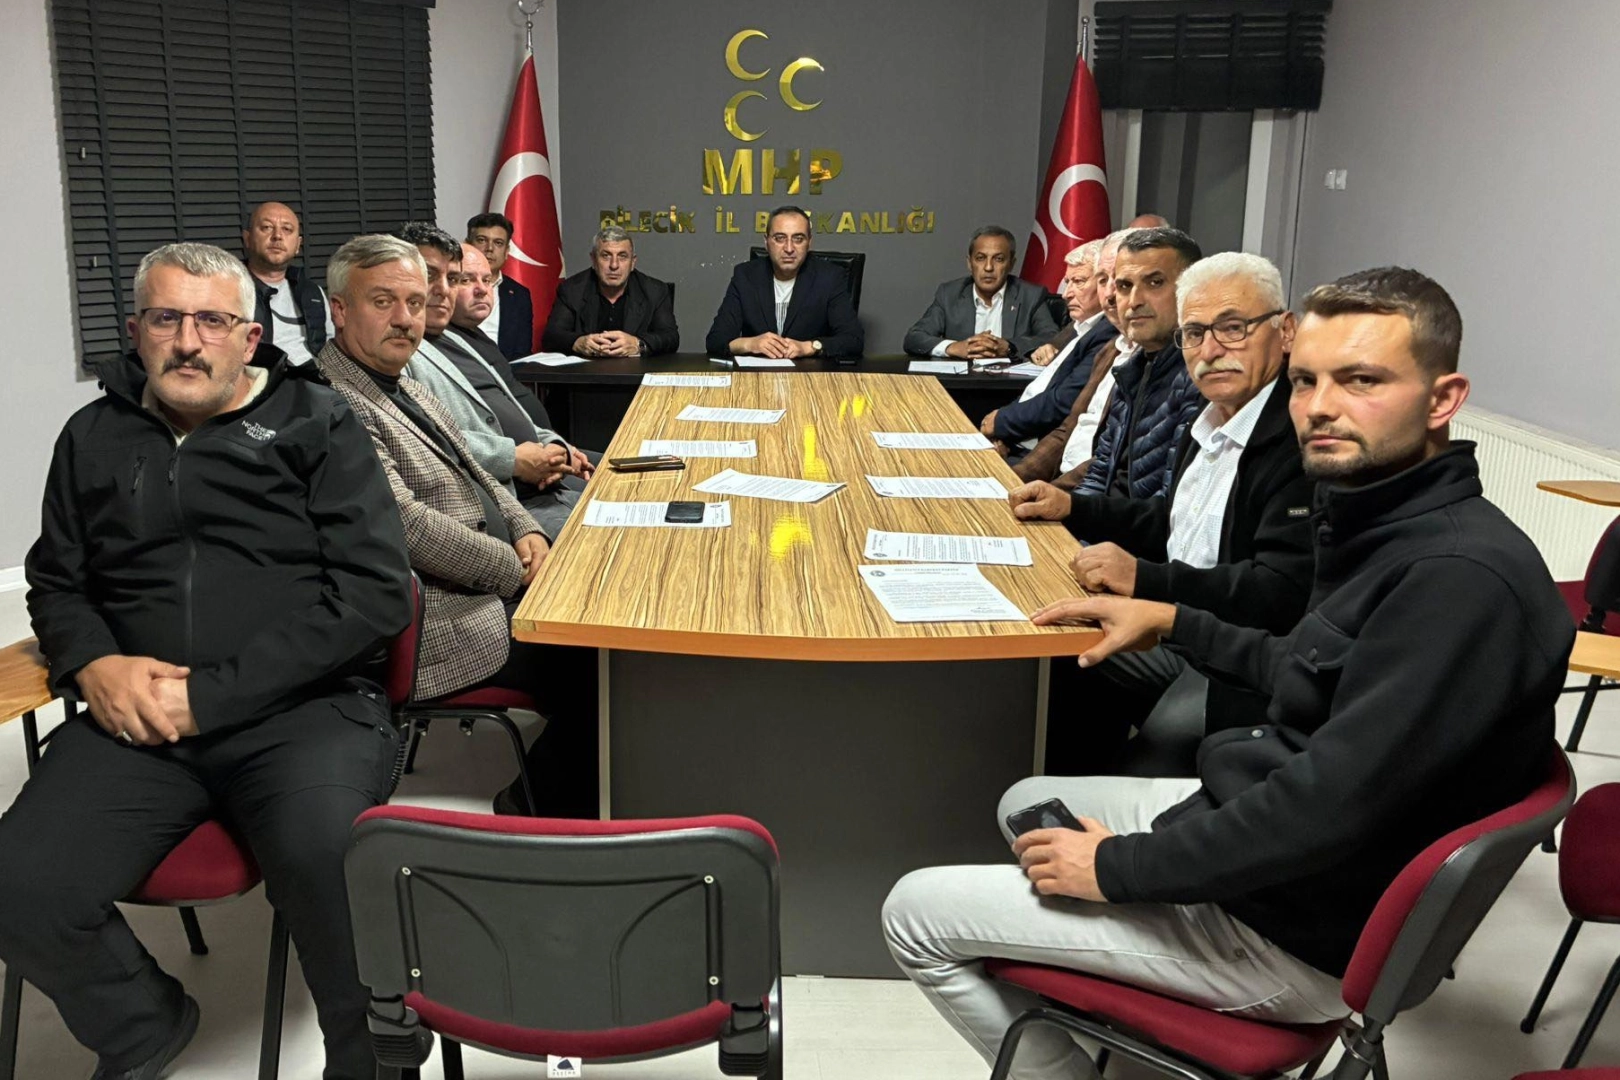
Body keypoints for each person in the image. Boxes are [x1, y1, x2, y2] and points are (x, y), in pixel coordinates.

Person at [883, 266, 1574, 1080]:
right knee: (1026, 803)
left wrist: (1118, 868)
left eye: (1362, 381)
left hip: (1289, 931)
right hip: (1277, 849)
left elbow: (1322, 809)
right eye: (1307, 380)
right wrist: (1174, 621)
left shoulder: (1457, 581)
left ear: (1443, 399)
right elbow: (1307, 666)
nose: (1320, 407)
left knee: (913, 913)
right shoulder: (1387, 519)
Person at [1, 242, 413, 1080]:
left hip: (304, 709)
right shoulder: (91, 436)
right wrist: (94, 665)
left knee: (331, 861)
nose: (189, 342)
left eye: (213, 321)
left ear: (250, 336)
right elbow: (57, 582)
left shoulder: (316, 422)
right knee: (18, 881)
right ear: (135, 331)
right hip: (141, 717)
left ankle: (373, 1062)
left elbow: (374, 596)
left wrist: (214, 696)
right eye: (167, 318)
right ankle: (141, 1024)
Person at [313, 234, 598, 819]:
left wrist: (528, 529)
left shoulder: (405, 382)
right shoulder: (332, 403)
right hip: (445, 617)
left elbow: (480, 473)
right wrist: (515, 567)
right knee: (600, 662)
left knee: (605, 628)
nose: (405, 319)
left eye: (415, 303)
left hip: (492, 576)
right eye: (383, 302)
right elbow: (409, 528)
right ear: (339, 309)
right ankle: (538, 811)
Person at [1009, 252, 1314, 775]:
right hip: (1182, 621)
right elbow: (1171, 521)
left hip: (1238, 658)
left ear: (1285, 331)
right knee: (1048, 645)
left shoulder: (1301, 438)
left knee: (1131, 739)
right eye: (1194, 333)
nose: (1211, 351)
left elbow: (1279, 592)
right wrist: (1072, 506)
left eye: (1233, 328)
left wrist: (1145, 579)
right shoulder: (1213, 418)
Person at [396, 224, 583, 538]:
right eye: (430, 275)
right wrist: (513, 458)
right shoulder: (401, 351)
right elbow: (425, 440)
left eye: (453, 279)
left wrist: (554, 445)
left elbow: (513, 409)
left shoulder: (460, 338)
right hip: (507, 504)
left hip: (547, 483)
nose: (444, 290)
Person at [1077, 227, 1207, 500]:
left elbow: (1168, 509)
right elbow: (1100, 473)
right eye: (1125, 286)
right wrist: (1071, 510)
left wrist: (1075, 511)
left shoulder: (1202, 376)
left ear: (1192, 291)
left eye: (1155, 283)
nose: (1134, 301)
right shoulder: (1133, 367)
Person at [1013, 230, 1139, 486]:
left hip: (1084, 493)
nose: (1111, 293)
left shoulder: (1147, 356)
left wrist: (1055, 495)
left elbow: (1110, 465)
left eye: (1124, 282)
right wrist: (1012, 481)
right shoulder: (1110, 348)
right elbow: (1070, 427)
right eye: (1103, 280)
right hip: (1056, 475)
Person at [980, 238, 1118, 455]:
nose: (1066, 294)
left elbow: (1064, 401)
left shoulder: (1107, 331)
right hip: (1019, 436)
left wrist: (1001, 422)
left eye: (1079, 281)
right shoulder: (1077, 326)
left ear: (1107, 284)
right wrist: (1003, 431)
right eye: (1067, 282)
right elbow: (1039, 388)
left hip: (1041, 451)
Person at [705, 205, 864, 359]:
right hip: (757, 373)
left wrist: (809, 347)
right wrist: (750, 344)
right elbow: (715, 340)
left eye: (798, 239)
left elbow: (853, 340)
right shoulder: (746, 276)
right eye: (780, 238)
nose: (789, 248)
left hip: (810, 373)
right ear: (766, 242)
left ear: (809, 242)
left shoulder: (829, 277)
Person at [903, 226, 1060, 360]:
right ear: (969, 263)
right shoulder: (949, 294)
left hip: (1011, 383)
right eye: (980, 258)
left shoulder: (1031, 295)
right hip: (962, 382)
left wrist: (1010, 347)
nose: (988, 267)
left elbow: (1053, 338)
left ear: (1011, 264)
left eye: (998, 259)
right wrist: (954, 347)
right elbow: (914, 338)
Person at [542, 225, 679, 356]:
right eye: (606, 255)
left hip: (636, 371)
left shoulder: (655, 291)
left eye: (622, 256)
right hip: (586, 370)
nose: (614, 265)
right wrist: (578, 342)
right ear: (593, 260)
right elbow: (551, 336)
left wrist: (638, 344)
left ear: (633, 262)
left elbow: (671, 337)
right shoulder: (572, 289)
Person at [243, 200, 333, 365]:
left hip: (314, 377)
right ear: (247, 239)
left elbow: (330, 347)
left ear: (298, 245)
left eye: (287, 229)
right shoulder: (229, 290)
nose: (277, 236)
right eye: (266, 227)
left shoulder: (312, 293)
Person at [466, 211, 536, 359]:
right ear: (467, 245)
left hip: (504, 369)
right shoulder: (450, 287)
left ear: (506, 251)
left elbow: (522, 353)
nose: (489, 248)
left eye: (498, 243)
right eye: (481, 240)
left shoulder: (519, 295)